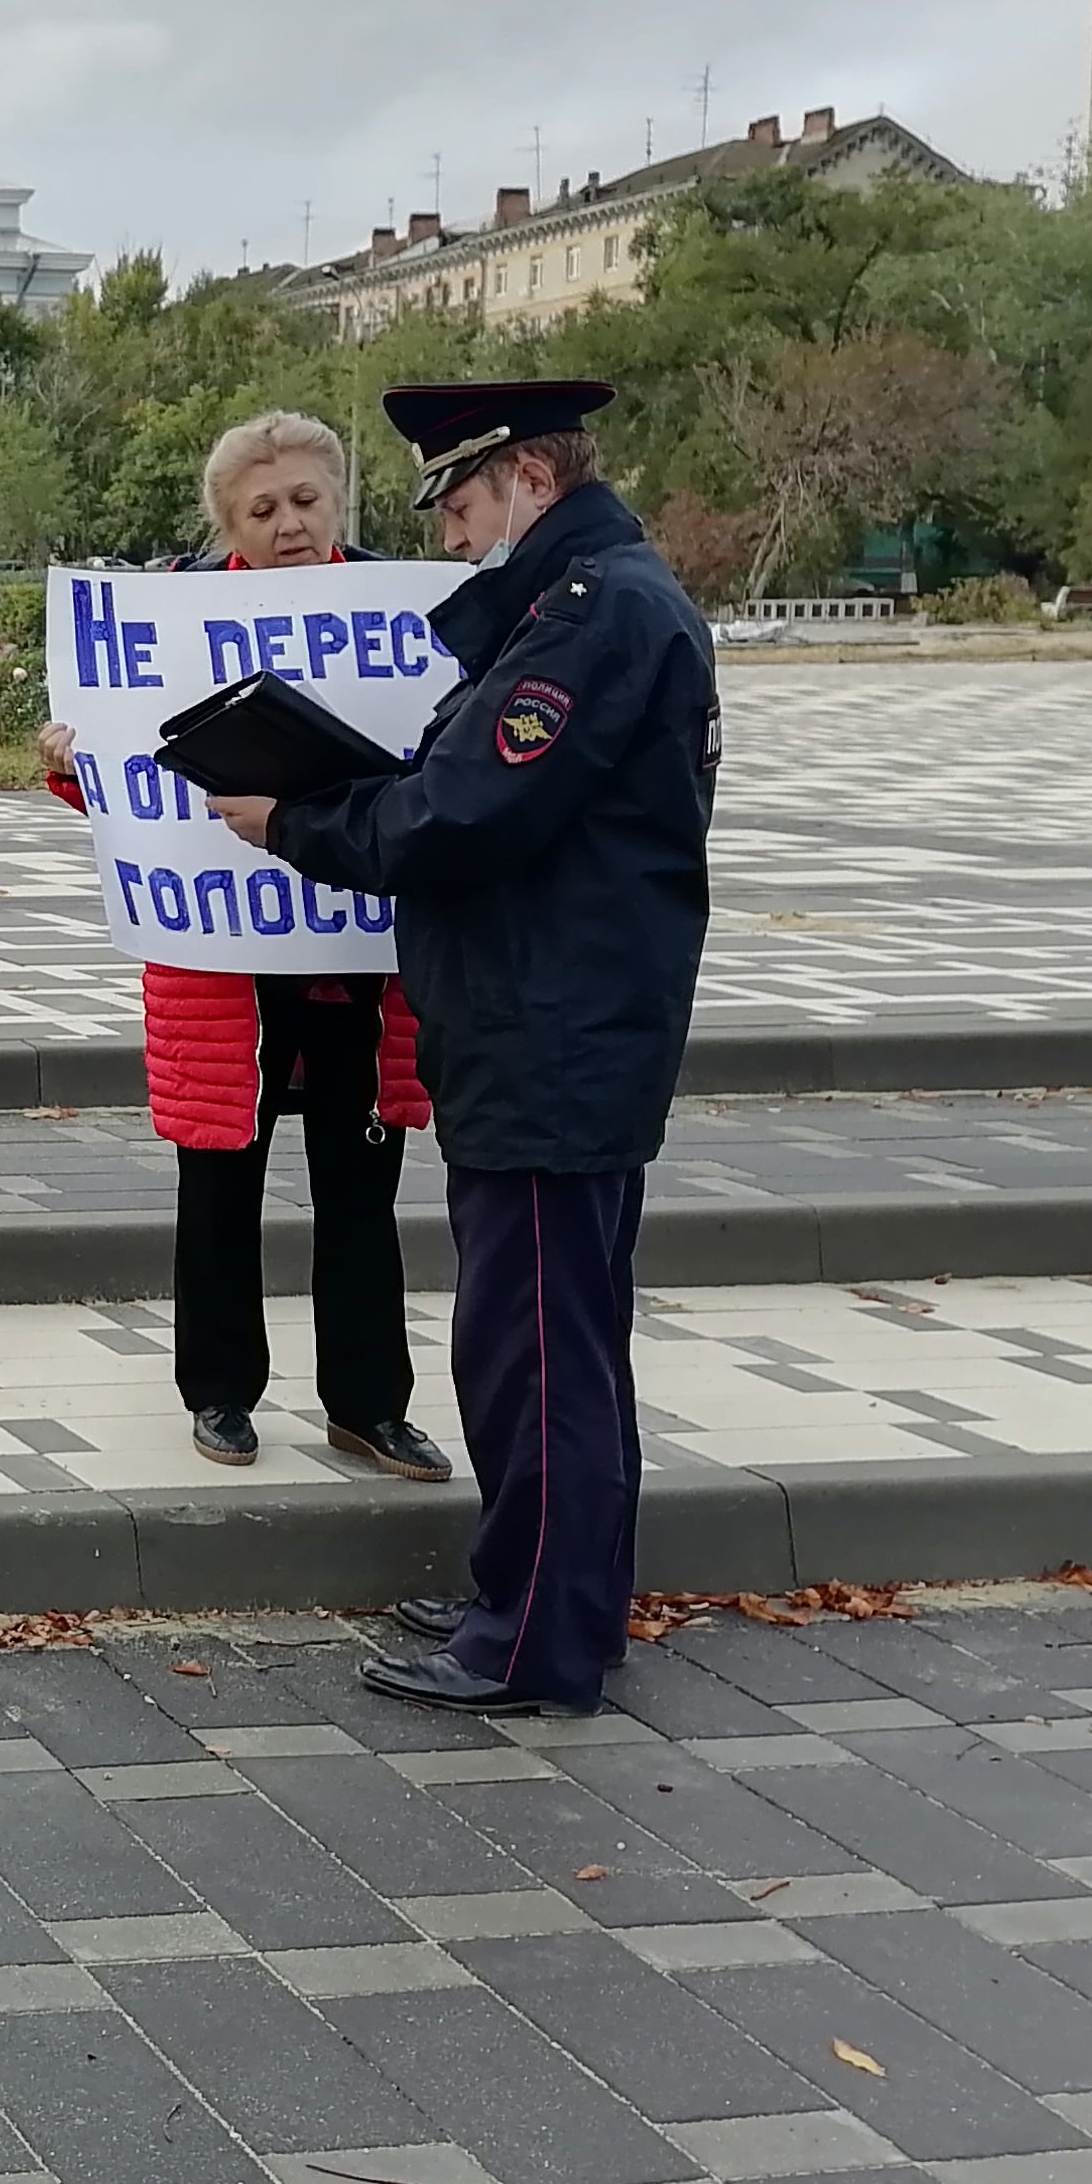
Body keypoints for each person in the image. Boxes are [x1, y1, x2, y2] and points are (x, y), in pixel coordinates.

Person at [209, 380, 717, 1716]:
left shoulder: (591, 619)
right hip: (552, 1026)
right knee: (563, 1344)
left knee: (534, 1357)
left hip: (550, 1037)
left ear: (529, 480)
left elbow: (461, 818)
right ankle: (547, 1592)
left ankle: (533, 1640)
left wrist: (295, 824)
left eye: (462, 500)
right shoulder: (580, 605)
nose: (446, 532)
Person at [36, 413, 449, 1484]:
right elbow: (129, 795)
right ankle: (219, 1393)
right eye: (262, 510)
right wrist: (79, 760)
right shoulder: (168, 615)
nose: (290, 524)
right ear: (227, 522)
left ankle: (369, 1405)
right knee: (219, 1182)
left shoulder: (396, 614)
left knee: (361, 1186)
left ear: (339, 501)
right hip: (222, 961)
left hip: (358, 962)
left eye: (307, 500)